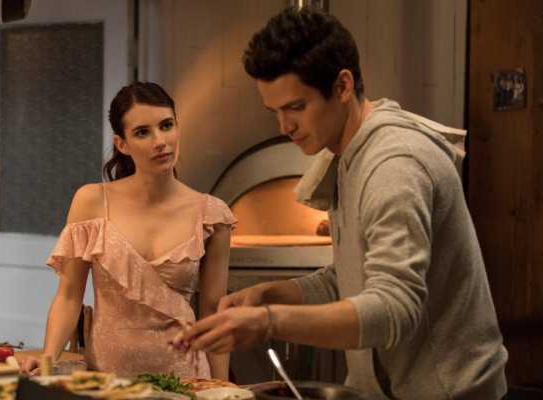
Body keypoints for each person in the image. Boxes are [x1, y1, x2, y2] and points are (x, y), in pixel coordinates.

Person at [173, 7, 508, 399]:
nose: (284, 126)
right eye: (275, 111)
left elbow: (394, 308)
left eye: (296, 107)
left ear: (343, 86)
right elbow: (350, 279)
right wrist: (270, 294)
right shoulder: (347, 153)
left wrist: (268, 321)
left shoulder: (394, 166)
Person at [21, 82, 236, 380]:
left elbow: (213, 312)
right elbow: (69, 296)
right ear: (122, 144)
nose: (160, 141)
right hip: (107, 380)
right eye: (142, 132)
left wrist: (222, 386)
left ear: (177, 127)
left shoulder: (212, 215)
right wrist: (47, 357)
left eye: (166, 125)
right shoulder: (92, 202)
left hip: (183, 380)